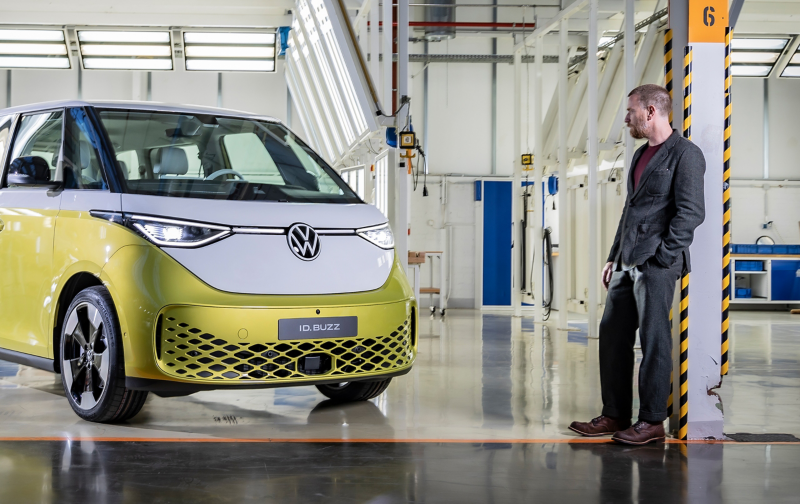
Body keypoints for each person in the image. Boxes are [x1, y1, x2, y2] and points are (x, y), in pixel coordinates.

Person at [569, 84, 706, 445]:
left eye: (630, 111)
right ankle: (615, 414)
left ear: (650, 112)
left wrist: (662, 257)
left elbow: (691, 213)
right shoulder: (640, 155)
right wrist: (613, 257)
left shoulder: (685, 154)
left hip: (657, 265)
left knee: (654, 341)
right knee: (612, 336)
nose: (626, 118)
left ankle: (651, 422)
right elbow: (630, 212)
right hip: (627, 262)